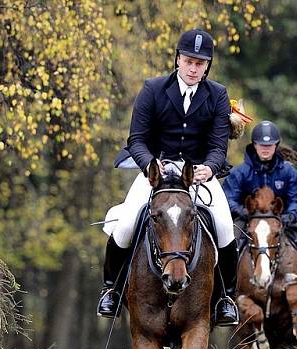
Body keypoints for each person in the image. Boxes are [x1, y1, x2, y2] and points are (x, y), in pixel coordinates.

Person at [99, 29, 238, 326]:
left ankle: (226, 298)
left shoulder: (217, 94)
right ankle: (110, 290)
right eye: (188, 61)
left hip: (197, 174)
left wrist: (210, 168)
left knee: (226, 228)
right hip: (156, 173)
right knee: (124, 226)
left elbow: (218, 145)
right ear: (177, 59)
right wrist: (150, 164)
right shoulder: (153, 89)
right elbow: (136, 139)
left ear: (207, 66)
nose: (193, 68)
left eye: (200, 64)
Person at [222, 120, 297, 309]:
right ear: (254, 145)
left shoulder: (288, 172)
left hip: (282, 222)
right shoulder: (241, 172)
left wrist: (290, 216)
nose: (265, 149)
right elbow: (228, 197)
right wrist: (242, 212)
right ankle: (224, 295)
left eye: (269, 146)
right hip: (248, 222)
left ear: (276, 146)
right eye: (262, 145)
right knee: (228, 246)